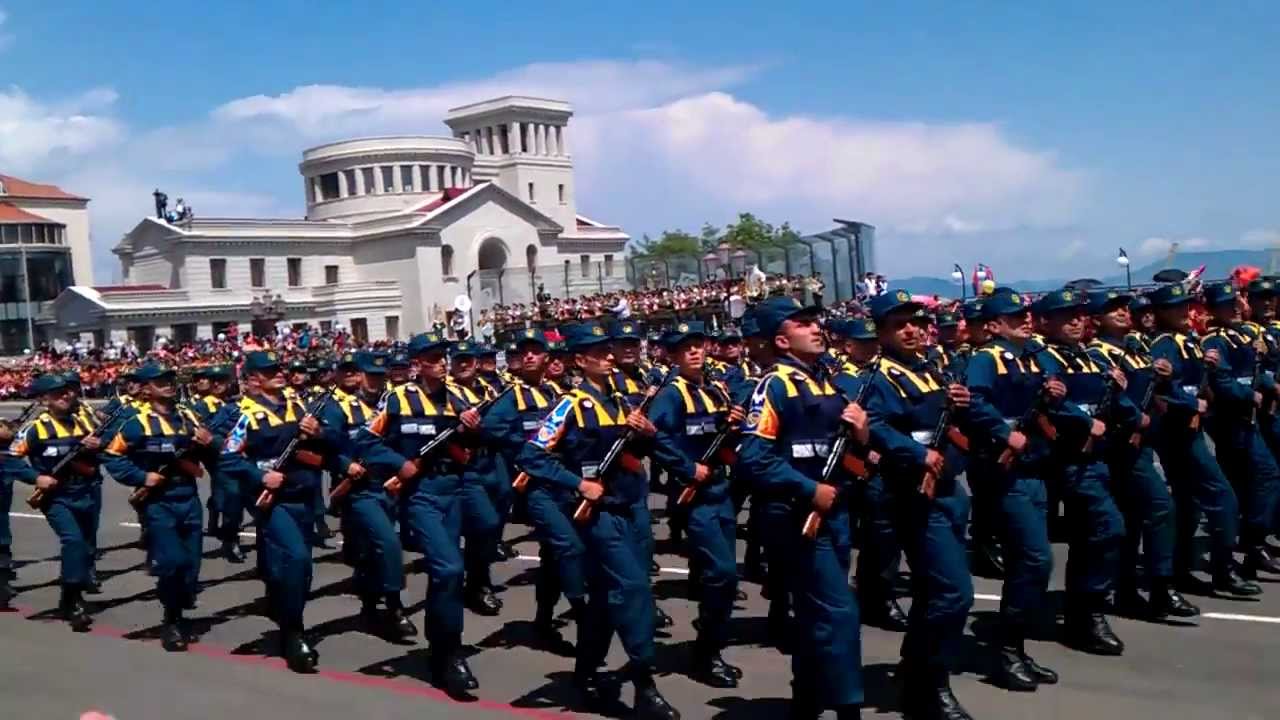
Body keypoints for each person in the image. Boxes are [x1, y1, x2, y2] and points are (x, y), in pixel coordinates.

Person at [518, 322, 679, 719]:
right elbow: (531, 456)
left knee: (607, 601)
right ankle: (645, 683)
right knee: (634, 590)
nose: (610, 356)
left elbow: (642, 449)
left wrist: (648, 433)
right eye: (600, 350)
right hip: (599, 517)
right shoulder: (569, 404)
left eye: (611, 349)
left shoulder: (624, 401)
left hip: (632, 508)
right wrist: (577, 483)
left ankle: (586, 671)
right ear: (579, 360)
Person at [738, 296, 869, 719]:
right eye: (802, 323)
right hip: (798, 515)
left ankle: (806, 699)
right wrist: (807, 488)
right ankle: (848, 707)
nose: (816, 328)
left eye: (816, 321)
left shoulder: (825, 381)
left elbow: (842, 451)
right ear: (781, 339)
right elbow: (754, 457)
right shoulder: (774, 385)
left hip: (835, 513)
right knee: (840, 612)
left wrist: (863, 435)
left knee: (817, 614)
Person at [860, 290, 976, 720]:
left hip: (949, 489)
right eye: (899, 324)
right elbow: (873, 426)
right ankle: (931, 684)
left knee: (933, 592)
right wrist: (914, 453)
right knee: (954, 593)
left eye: (916, 322)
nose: (912, 330)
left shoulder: (930, 368)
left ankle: (915, 673)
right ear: (882, 333)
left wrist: (961, 407)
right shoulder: (877, 378)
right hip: (913, 493)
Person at [358, 332, 481, 697]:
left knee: (449, 574)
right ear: (416, 365)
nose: (441, 363)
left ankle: (443, 647)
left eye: (442, 356)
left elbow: (478, 446)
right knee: (448, 567)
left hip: (453, 491)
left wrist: (473, 431)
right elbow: (365, 441)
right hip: (419, 494)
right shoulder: (397, 399)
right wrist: (399, 463)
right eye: (432, 358)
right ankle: (449, 653)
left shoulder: (458, 398)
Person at [964, 290, 1074, 691]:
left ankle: (1017, 648)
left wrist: (1054, 394)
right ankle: (1005, 652)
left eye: (1025, 314)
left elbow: (1051, 388)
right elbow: (974, 403)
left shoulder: (1032, 356)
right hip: (1005, 471)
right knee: (1033, 559)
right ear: (993, 325)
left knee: (1031, 564)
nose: (1025, 320)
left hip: (1035, 468)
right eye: (1014, 317)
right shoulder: (985, 358)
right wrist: (1002, 432)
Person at [1085, 290, 1199, 619]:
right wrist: (1135, 416)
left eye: (1123, 307)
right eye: (1111, 310)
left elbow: (1155, 389)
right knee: (1161, 507)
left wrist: (1165, 374)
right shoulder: (1099, 353)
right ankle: (1162, 587)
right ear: (1097, 320)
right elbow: (1110, 399)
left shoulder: (1136, 348)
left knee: (1133, 518)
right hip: (1121, 444)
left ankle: (1126, 590)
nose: (1122, 313)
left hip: (1144, 441)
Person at [1029, 288, 1130, 655]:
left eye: (1079, 314)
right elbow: (1049, 403)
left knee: (1094, 534)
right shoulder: (1042, 359)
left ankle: (1082, 611)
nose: (1075, 320)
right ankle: (1085, 614)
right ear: (1046, 321)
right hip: (1062, 458)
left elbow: (1114, 402)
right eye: (1065, 315)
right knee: (1105, 527)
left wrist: (1121, 393)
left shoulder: (1088, 356)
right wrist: (1083, 420)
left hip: (1095, 459)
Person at [220, 350, 331, 672]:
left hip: (305, 496)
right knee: (295, 558)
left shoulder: (299, 407)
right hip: (275, 501)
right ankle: (293, 632)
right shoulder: (245, 414)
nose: (278, 374)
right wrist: (259, 476)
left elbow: (329, 445)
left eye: (278, 368)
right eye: (269, 371)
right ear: (254, 379)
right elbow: (228, 458)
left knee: (303, 568)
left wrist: (319, 433)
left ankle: (287, 612)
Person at [648, 320, 745, 689]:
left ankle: (711, 641)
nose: (694, 351)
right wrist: (688, 468)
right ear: (672, 356)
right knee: (722, 573)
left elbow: (721, 432)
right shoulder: (671, 394)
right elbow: (655, 439)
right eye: (685, 347)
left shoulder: (714, 389)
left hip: (720, 488)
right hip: (695, 493)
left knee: (721, 574)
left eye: (698, 345)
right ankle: (707, 649)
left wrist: (731, 422)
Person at [1146, 284, 1259, 596]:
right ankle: (1223, 569)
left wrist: (1207, 365)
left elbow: (1197, 382)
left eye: (1186, 305)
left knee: (1188, 505)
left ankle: (1180, 569)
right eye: (1176, 307)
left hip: (1191, 429)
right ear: (1161, 313)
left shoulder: (1188, 341)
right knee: (1222, 498)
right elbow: (1161, 391)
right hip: (1177, 431)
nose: (1185, 311)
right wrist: (1191, 404)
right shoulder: (1164, 344)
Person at [484, 328, 584, 653]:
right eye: (523, 352)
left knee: (553, 557)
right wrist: (526, 447)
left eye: (535, 351)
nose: (528, 356)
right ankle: (586, 616)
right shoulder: (511, 396)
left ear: (547, 358)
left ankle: (543, 621)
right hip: (533, 486)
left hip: (562, 483)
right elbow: (491, 429)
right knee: (568, 547)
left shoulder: (558, 393)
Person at [102, 363, 214, 651]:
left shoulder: (188, 416)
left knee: (191, 564)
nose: (167, 384)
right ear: (146, 388)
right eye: (159, 381)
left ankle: (180, 597)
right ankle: (171, 620)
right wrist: (141, 477)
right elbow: (113, 456)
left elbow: (210, 449)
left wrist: (208, 443)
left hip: (188, 496)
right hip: (158, 500)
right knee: (171, 561)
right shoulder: (136, 422)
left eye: (169, 379)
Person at [319, 351, 416, 640]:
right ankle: (395, 607)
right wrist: (344, 464)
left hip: (393, 484)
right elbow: (326, 446)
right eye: (368, 375)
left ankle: (369, 602)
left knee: (370, 549)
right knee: (387, 543)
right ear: (358, 375)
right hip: (359, 488)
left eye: (379, 376)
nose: (374, 382)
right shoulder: (338, 407)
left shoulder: (394, 402)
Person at [3, 373, 104, 631]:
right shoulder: (35, 428)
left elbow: (108, 454)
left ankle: (69, 593)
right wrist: (35, 478)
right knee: (73, 541)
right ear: (44, 399)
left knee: (86, 547)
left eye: (68, 391)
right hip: (57, 496)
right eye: (58, 393)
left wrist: (98, 447)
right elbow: (10, 458)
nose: (67, 396)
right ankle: (73, 600)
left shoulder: (84, 422)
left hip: (87, 491)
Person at [1198, 282, 1280, 579]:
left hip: (1248, 416)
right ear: (1212, 310)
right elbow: (1223, 380)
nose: (1233, 308)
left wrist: (1267, 382)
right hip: (1231, 418)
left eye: (1235, 302)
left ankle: (1251, 540)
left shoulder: (1241, 334)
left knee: (1250, 480)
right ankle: (1252, 541)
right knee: (1264, 474)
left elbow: (1256, 370)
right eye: (1225, 304)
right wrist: (1250, 395)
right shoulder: (1214, 340)